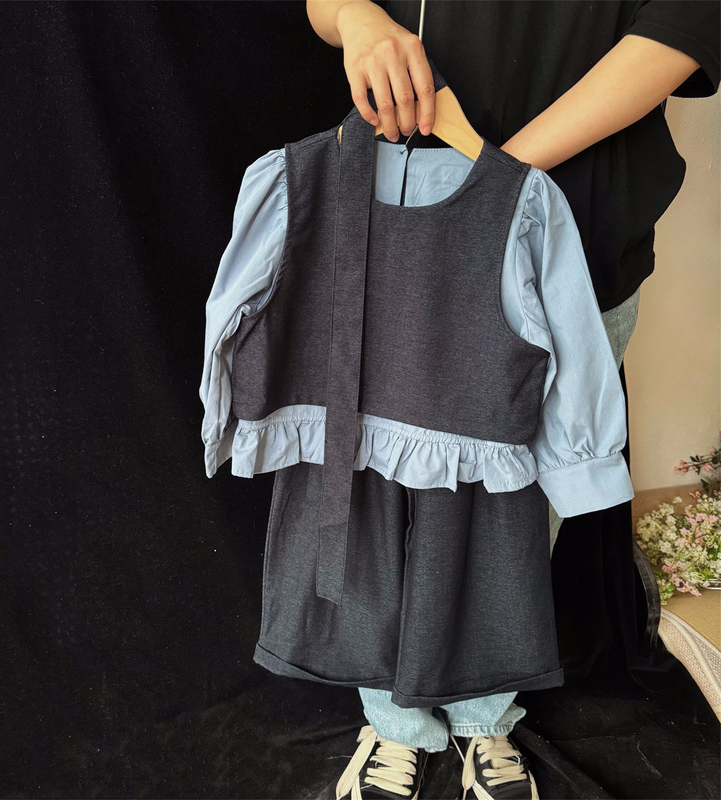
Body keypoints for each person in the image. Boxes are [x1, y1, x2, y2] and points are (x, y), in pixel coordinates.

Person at [303, 1, 720, 798]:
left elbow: (682, 28)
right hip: (406, 224)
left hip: (575, 237)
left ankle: (484, 713)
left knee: (524, 502)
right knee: (386, 488)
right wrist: (358, 18)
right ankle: (393, 720)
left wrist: (491, 178)